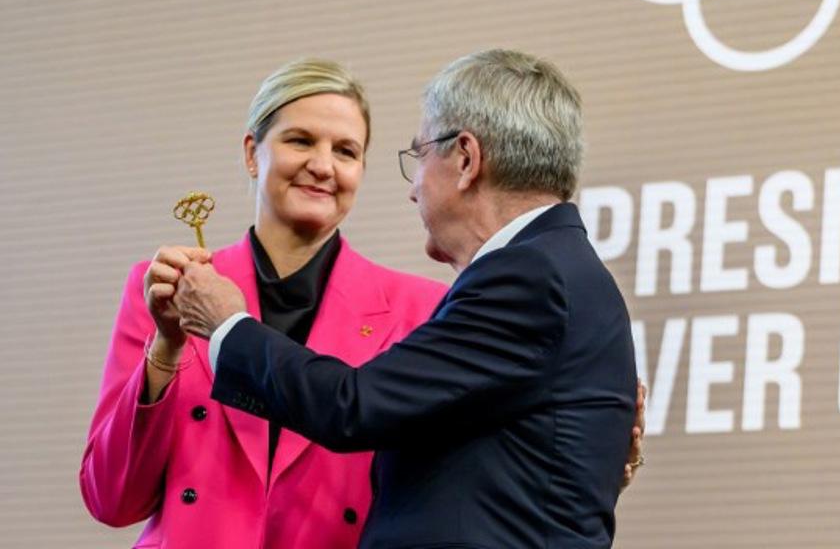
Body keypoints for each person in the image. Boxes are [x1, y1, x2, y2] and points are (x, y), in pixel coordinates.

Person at [175, 48, 640, 548]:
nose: (413, 190)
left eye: (419, 156)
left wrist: (226, 324)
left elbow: (351, 407)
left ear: (465, 159)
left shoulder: (532, 277)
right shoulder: (552, 270)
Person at [80, 59, 448, 548]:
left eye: (345, 151)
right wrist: (166, 348)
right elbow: (111, 499)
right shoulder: (164, 289)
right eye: (300, 140)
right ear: (253, 153)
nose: (322, 165)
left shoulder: (419, 308)